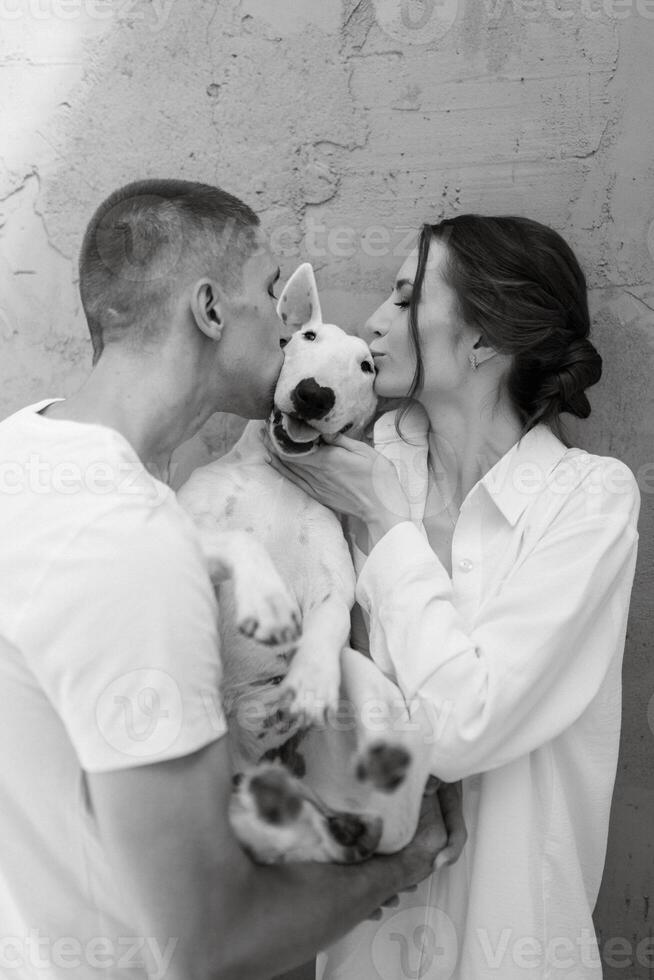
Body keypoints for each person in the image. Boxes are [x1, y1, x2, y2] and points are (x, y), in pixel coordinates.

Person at [0, 180, 465, 980]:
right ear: (211, 310)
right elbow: (213, 944)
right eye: (268, 291)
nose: (286, 323)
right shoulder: (132, 542)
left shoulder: (20, 452)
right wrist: (400, 865)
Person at [264, 215, 641, 980]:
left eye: (405, 299)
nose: (372, 320)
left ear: (483, 341)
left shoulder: (587, 501)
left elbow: (464, 725)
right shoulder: (364, 465)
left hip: (514, 941)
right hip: (365, 937)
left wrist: (384, 522)